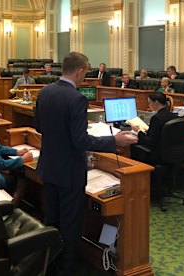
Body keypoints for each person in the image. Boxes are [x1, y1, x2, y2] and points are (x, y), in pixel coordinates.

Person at [35, 52, 138, 275]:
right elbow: (80, 140)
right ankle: (66, 270)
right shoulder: (76, 98)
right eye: (86, 72)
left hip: (48, 167)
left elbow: (39, 128)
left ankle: (50, 266)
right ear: (80, 71)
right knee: (70, 226)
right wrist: (115, 140)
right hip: (69, 172)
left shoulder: (44, 91)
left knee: (51, 219)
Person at [131, 92, 177, 164]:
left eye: (150, 103)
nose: (149, 106)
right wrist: (149, 131)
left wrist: (138, 132)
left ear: (156, 102)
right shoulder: (174, 115)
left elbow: (150, 143)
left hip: (157, 154)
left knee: (132, 146)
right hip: (172, 153)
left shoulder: (156, 118)